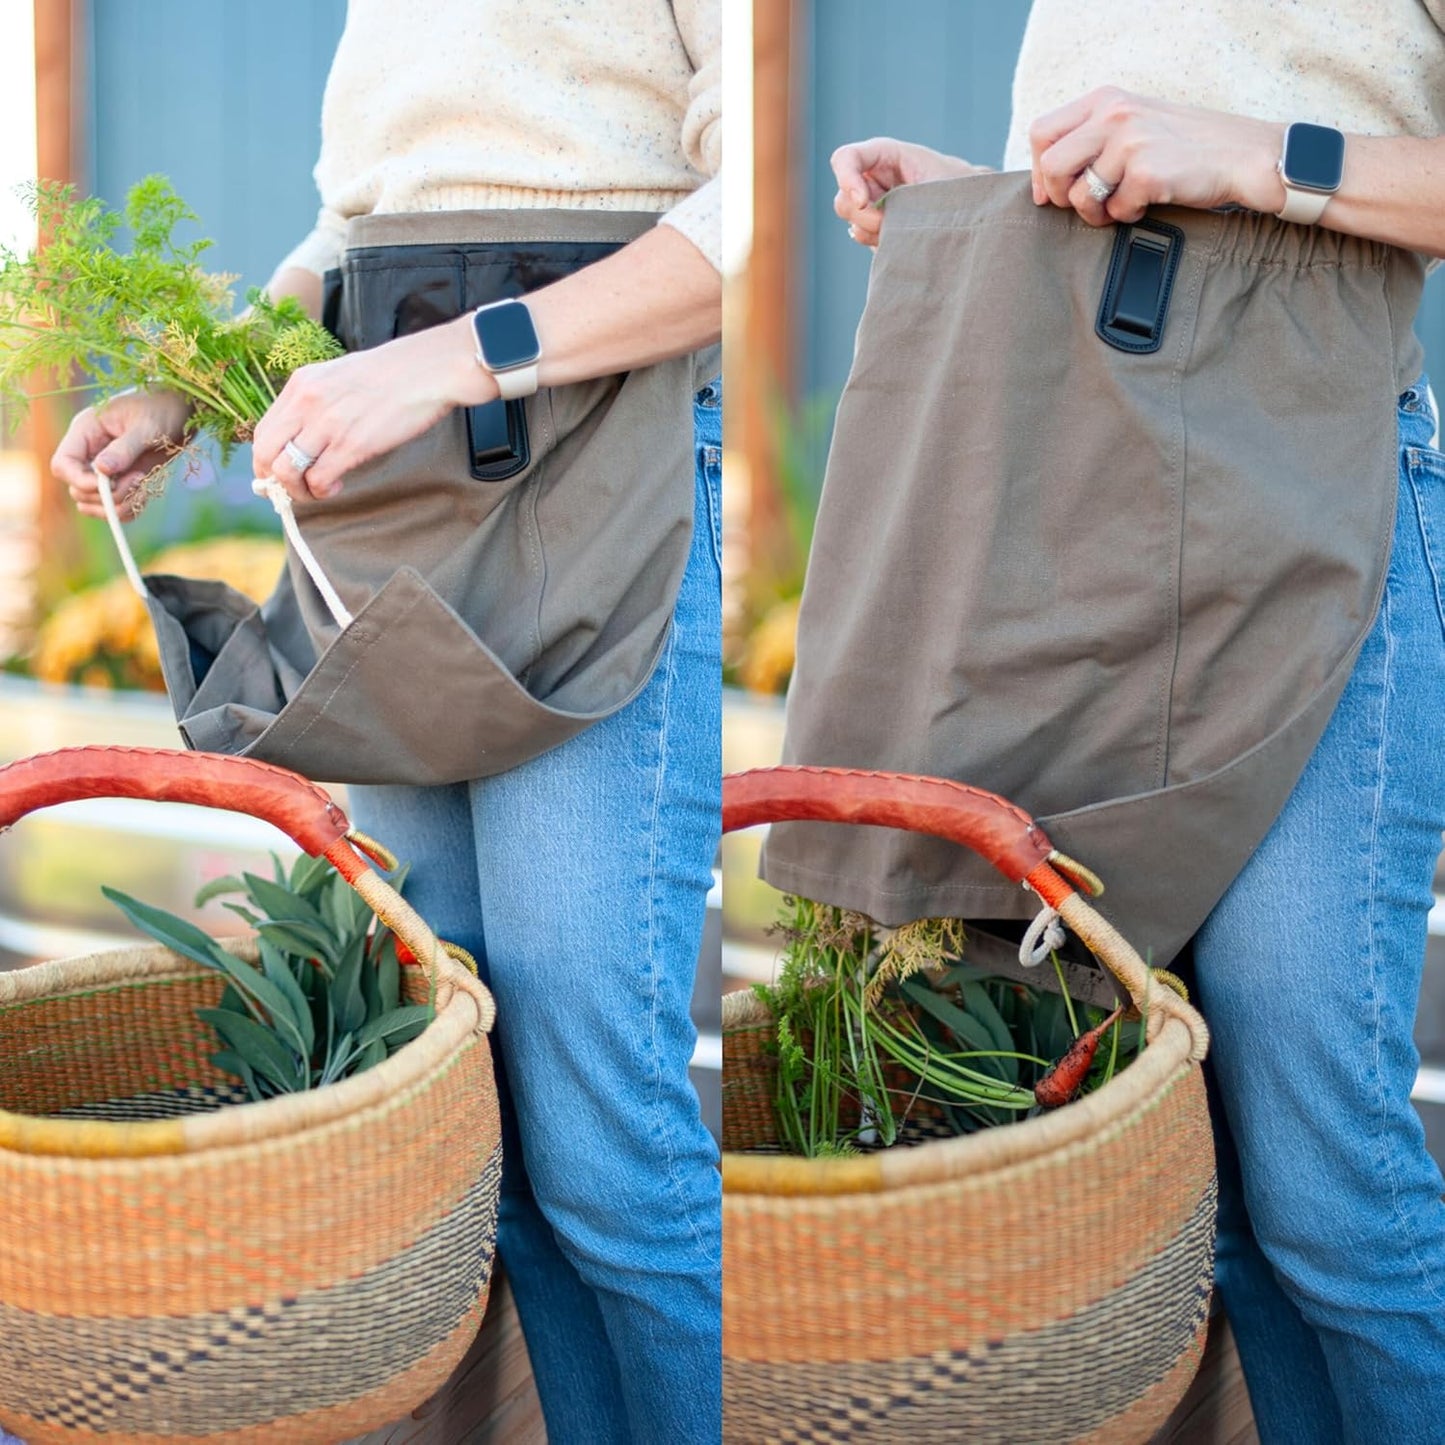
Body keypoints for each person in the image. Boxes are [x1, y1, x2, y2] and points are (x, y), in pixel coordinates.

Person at [51, 5, 721, 1443]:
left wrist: (446, 362)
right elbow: (358, 212)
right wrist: (199, 378)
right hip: (394, 491)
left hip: (582, 460)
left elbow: (745, 225)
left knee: (603, 1147)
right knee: (453, 1096)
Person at [794, 4, 1445, 1440]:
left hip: (1310, 478)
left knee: (1322, 1172)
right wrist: (987, 186)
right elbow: (1159, 173)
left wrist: (1255, 154)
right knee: (1186, 1156)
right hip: (1082, 477)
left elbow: (1237, 151)